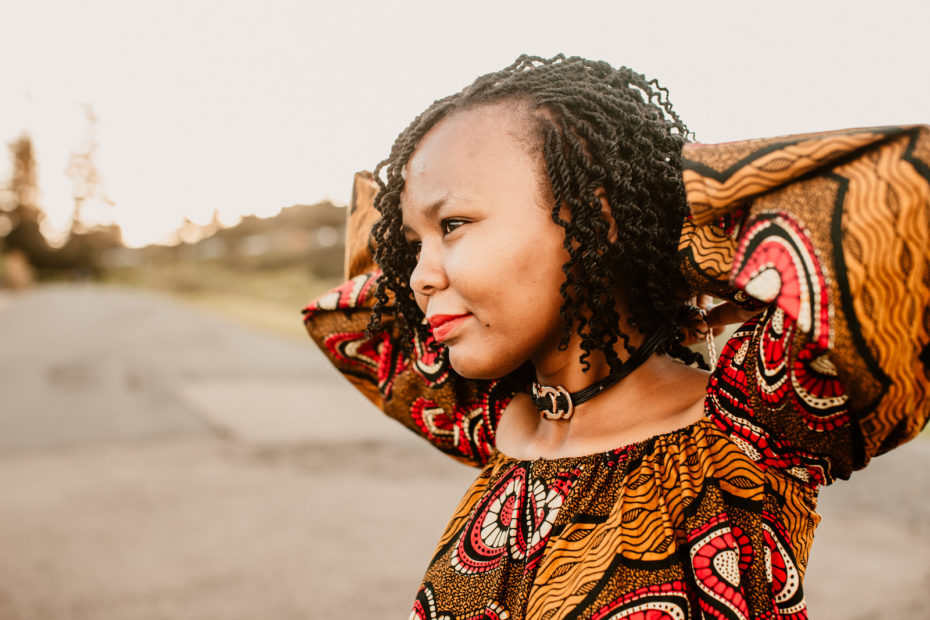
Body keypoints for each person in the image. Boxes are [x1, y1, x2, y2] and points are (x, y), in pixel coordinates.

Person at [303, 54, 930, 619]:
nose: (419, 277)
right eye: (414, 246)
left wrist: (672, 231)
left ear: (596, 216)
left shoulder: (754, 431)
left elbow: (900, 194)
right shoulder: (494, 420)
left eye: (455, 223)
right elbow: (353, 316)